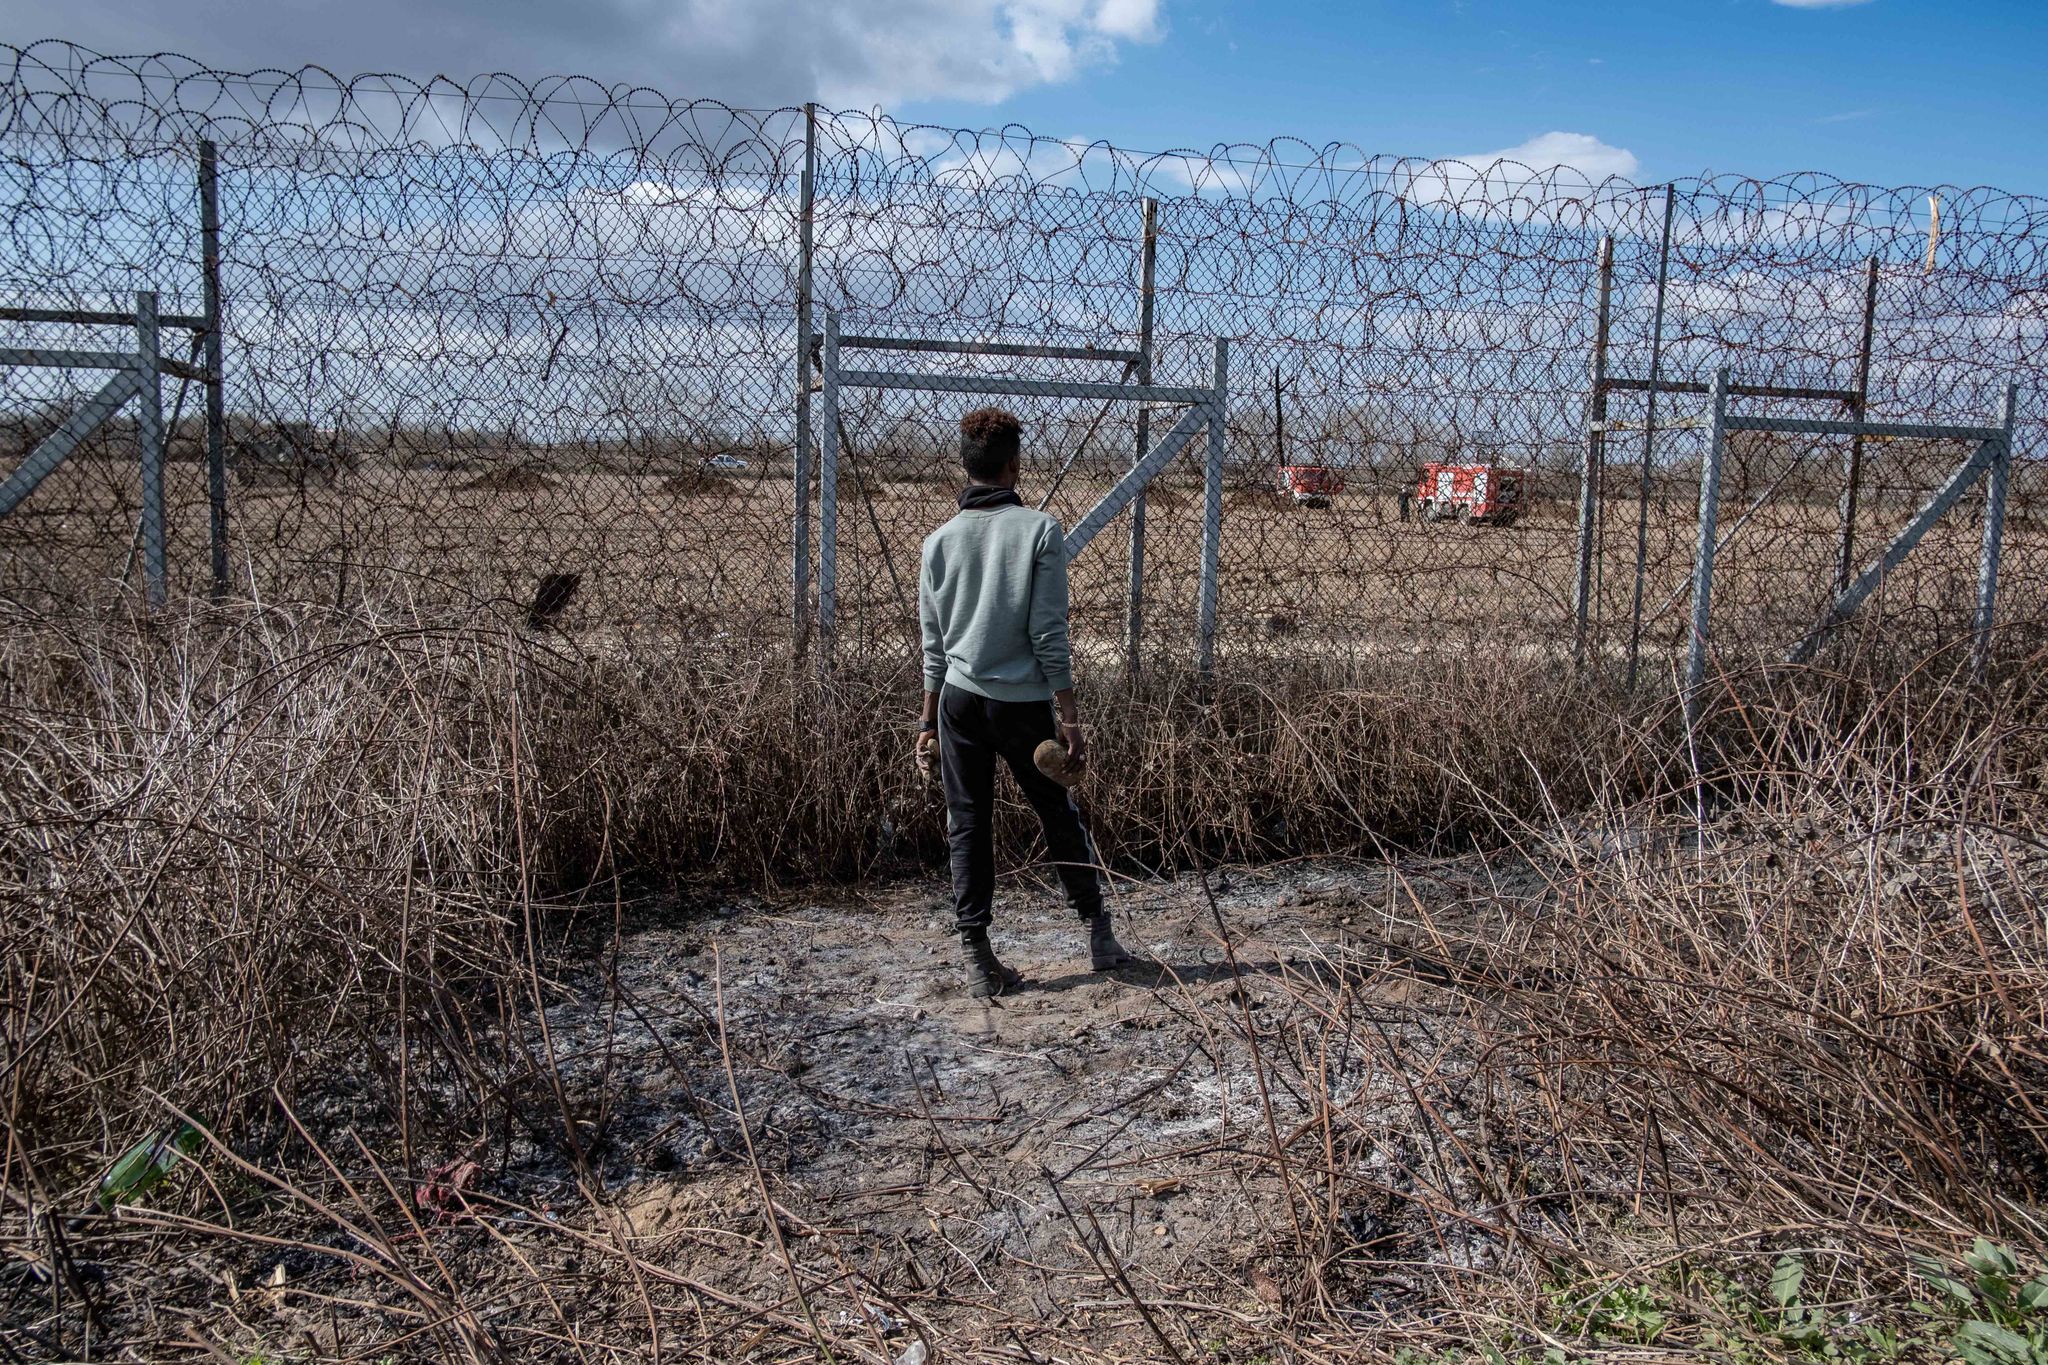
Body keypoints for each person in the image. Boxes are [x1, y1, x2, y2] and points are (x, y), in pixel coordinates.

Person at [915, 407, 1137, 998]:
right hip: (1022, 704)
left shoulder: (937, 542)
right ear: (1015, 464)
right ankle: (1099, 935)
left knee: (968, 823)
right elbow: (1047, 634)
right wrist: (1069, 717)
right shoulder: (1040, 530)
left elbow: (933, 645)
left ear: (966, 464)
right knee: (1057, 813)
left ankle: (977, 955)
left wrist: (927, 722)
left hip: (958, 702)